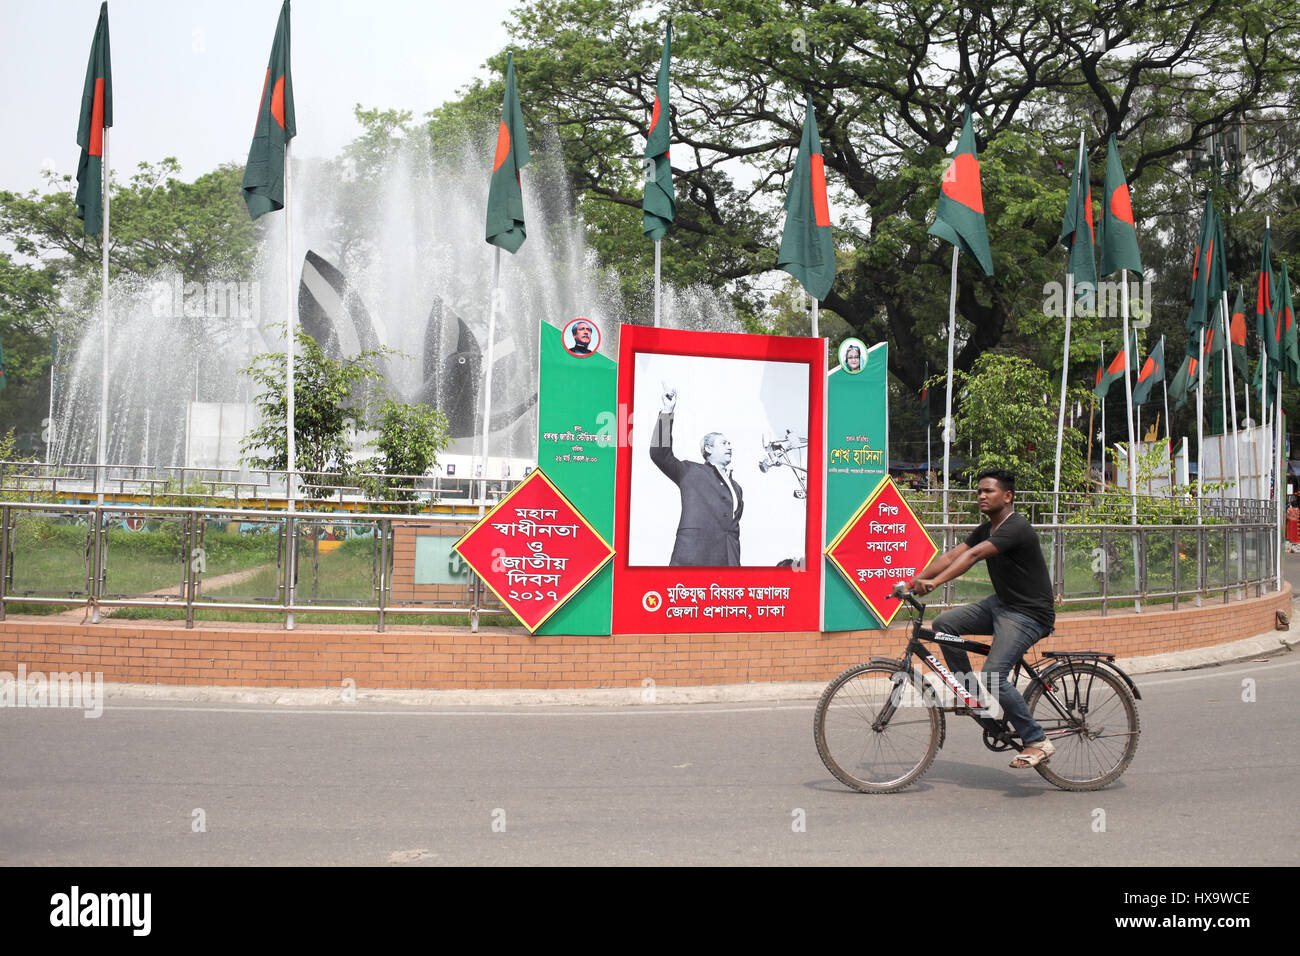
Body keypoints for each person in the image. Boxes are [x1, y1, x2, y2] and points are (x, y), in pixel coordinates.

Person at [910, 468, 1057, 768]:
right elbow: (953, 555)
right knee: (944, 625)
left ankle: (1037, 740)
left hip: (1028, 614)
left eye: (988, 491)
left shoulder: (1016, 527)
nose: (981, 495)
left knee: (994, 673)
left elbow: (974, 557)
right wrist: (915, 581)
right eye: (979, 491)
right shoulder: (987, 528)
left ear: (1007, 496)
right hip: (1002, 605)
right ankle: (974, 697)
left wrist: (936, 584)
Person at [649, 385, 743, 566]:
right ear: (708, 448)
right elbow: (659, 454)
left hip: (728, 564)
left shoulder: (737, 487)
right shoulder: (690, 471)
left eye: (730, 443)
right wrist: (667, 411)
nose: (730, 447)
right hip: (694, 558)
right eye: (724, 443)